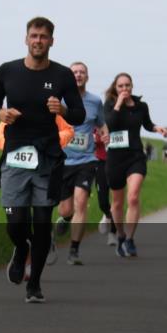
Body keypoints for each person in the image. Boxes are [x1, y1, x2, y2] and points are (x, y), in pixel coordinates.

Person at [0, 17, 85, 303]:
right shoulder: (8, 71)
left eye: (43, 36)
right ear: (26, 39)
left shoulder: (63, 75)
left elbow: (78, 114)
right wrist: (0, 114)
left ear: (52, 41)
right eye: (33, 35)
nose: (38, 40)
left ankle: (35, 284)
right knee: (15, 222)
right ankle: (21, 248)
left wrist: (63, 108)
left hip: (48, 158)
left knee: (42, 223)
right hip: (16, 155)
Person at [103, 73, 167, 258]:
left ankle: (130, 239)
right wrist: (118, 103)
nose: (124, 89)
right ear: (115, 88)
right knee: (116, 203)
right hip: (115, 157)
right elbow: (110, 123)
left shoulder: (141, 106)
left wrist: (157, 128)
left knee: (132, 198)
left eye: (127, 85)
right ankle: (121, 235)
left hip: (135, 157)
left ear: (132, 86)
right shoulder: (109, 104)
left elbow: (147, 124)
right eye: (120, 86)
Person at [54, 61, 108, 265]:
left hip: (87, 160)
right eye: (74, 72)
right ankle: (65, 219)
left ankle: (74, 250)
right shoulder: (59, 100)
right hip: (63, 161)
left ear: (87, 77)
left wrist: (105, 135)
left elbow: (102, 124)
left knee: (81, 203)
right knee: (65, 209)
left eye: (82, 72)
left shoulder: (95, 101)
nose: (78, 75)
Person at [93, 127, 117, 246]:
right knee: (102, 201)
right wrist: (98, 137)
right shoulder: (97, 121)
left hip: (118, 162)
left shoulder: (119, 118)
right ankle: (107, 214)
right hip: (101, 162)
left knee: (116, 200)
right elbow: (90, 139)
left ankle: (112, 233)